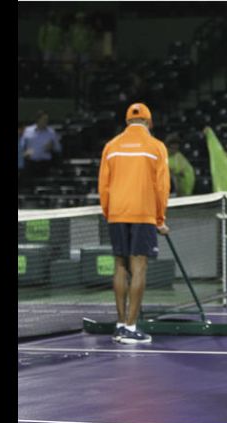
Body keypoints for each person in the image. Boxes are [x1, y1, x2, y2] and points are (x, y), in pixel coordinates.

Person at [98, 102, 170, 345]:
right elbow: (162, 187)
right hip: (143, 213)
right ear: (149, 123)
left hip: (117, 212)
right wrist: (160, 220)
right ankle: (130, 327)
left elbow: (103, 186)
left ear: (127, 122)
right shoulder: (156, 147)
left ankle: (120, 324)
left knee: (120, 265)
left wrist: (110, 213)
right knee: (138, 267)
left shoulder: (111, 146)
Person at [20, 111, 62, 180]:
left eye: (47, 120)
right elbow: (21, 145)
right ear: (38, 120)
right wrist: (24, 152)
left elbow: (58, 148)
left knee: (44, 186)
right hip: (31, 164)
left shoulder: (51, 133)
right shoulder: (27, 130)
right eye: (44, 119)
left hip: (45, 164)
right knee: (29, 185)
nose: (46, 122)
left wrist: (52, 146)